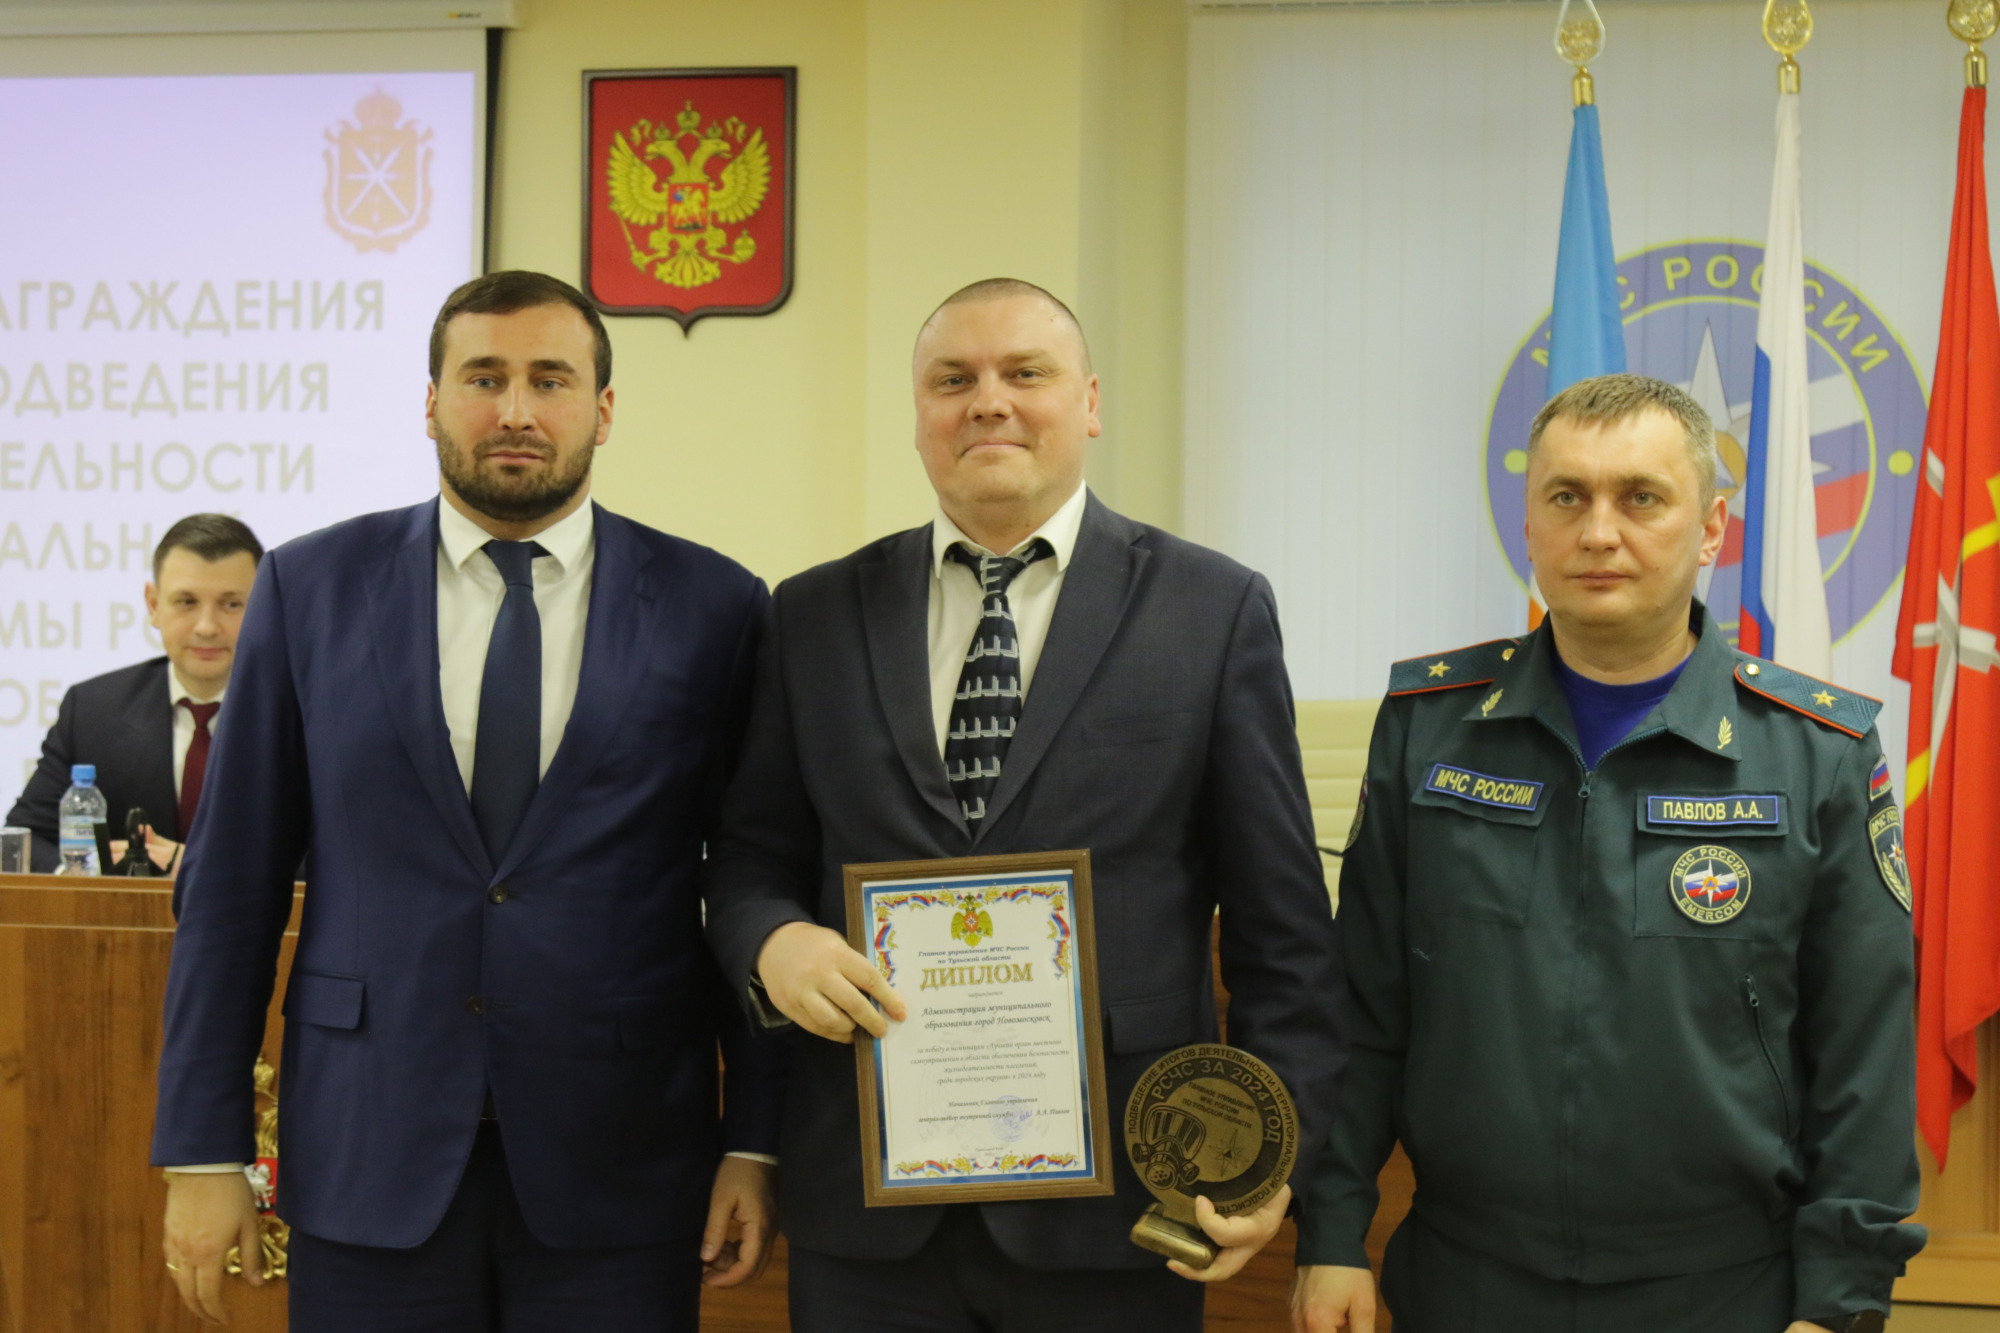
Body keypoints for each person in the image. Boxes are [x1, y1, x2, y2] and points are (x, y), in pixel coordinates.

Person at [702, 277, 1346, 1333]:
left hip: (1121, 1208)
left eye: (1025, 373)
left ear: (1087, 401)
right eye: (952, 379)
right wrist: (772, 940)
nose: (987, 401)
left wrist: (1272, 1162)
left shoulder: (1211, 608)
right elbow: (748, 857)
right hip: (865, 1212)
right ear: (919, 413)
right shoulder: (812, 612)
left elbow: (1284, 935)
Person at [150, 270, 787, 1331]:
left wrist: (754, 1138)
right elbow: (233, 884)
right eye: (483, 378)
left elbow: (753, 877)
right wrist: (204, 1147)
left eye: (551, 379)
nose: (516, 410)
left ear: (604, 408)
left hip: (622, 1157)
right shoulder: (310, 588)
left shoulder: (714, 604)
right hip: (369, 1148)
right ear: (432, 402)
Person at [1292, 373, 1924, 1333]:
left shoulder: (1815, 750)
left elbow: (1863, 1051)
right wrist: (1333, 1231)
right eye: (1567, 497)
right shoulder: (1430, 728)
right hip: (1467, 1278)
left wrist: (1839, 1304)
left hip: (1724, 1289)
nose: (1598, 532)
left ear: (1710, 528)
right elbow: (1366, 1008)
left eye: (1641, 497)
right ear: (1530, 524)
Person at [6, 514, 262, 873]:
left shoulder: (300, 716)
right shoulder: (93, 710)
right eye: (186, 601)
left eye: (231, 604)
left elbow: (331, 856)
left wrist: (196, 867)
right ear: (154, 605)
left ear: (263, 608)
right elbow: (27, 840)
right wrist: (86, 874)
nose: (206, 627)